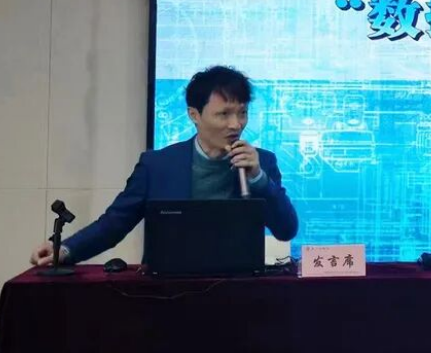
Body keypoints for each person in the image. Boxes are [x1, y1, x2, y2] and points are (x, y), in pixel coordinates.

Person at [30, 66, 298, 266]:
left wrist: (259, 178)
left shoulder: (262, 162)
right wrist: (65, 249)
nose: (236, 124)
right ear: (194, 115)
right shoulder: (157, 165)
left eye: (242, 113)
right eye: (224, 114)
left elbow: (286, 229)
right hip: (168, 293)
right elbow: (114, 224)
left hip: (239, 292)